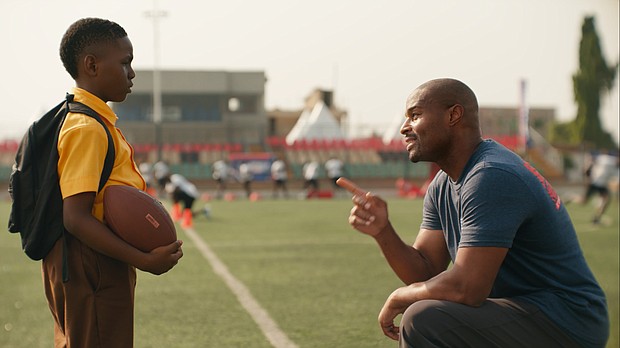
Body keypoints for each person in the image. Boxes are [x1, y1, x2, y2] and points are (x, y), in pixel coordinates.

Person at [341, 78, 608, 348]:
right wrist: (383, 231)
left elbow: (467, 287)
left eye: (415, 115)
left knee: (423, 318)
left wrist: (402, 296)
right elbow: (425, 271)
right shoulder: (443, 184)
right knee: (428, 312)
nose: (404, 127)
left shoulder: (491, 174)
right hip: (523, 312)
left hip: (567, 321)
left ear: (454, 115)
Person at [44, 18, 183, 348]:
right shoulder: (85, 127)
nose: (132, 72)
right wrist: (144, 260)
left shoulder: (89, 119)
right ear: (91, 65)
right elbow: (75, 217)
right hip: (90, 263)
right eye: (125, 63)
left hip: (91, 260)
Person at [579, 151, 619, 224]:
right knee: (583, 201)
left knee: (606, 200)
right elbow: (592, 158)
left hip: (602, 186)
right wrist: (587, 169)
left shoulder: (617, 169)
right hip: (595, 183)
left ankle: (596, 218)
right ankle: (570, 197)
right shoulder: (607, 159)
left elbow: (616, 182)